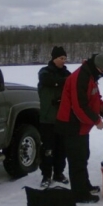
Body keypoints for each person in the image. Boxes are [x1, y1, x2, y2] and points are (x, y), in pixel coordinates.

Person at [56, 53, 103, 203]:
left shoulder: (90, 76)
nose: (102, 76)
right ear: (96, 68)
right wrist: (97, 121)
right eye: (101, 72)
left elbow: (95, 98)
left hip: (81, 126)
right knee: (77, 160)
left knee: (83, 156)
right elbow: (79, 107)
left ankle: (84, 185)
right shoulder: (80, 77)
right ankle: (79, 194)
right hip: (71, 124)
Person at [37, 46, 71, 187]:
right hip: (47, 118)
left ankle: (58, 173)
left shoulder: (67, 73)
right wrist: (65, 82)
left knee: (61, 148)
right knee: (48, 149)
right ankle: (46, 175)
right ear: (54, 58)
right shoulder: (45, 72)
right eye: (60, 58)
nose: (63, 61)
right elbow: (48, 81)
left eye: (64, 58)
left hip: (62, 118)